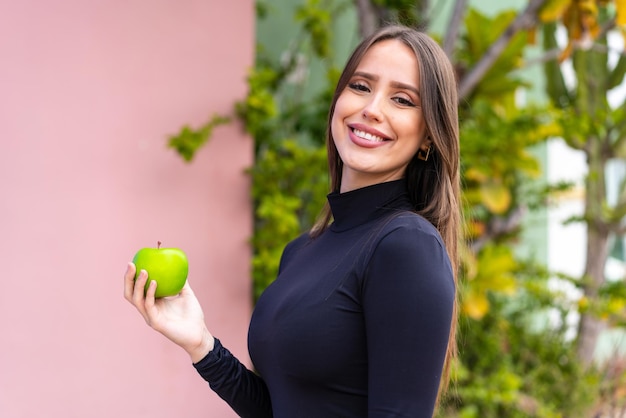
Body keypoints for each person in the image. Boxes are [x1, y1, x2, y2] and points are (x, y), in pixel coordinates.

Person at [125, 24, 460, 418]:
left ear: (427, 137)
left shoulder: (407, 246)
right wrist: (201, 344)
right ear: (338, 101)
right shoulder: (302, 250)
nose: (373, 108)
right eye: (361, 86)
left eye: (402, 99)